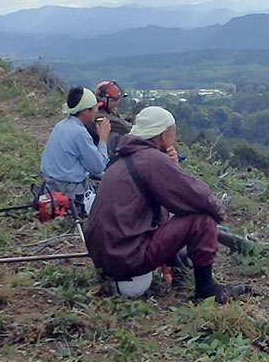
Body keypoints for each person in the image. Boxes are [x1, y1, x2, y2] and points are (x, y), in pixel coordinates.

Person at [84, 106, 247, 302]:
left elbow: (163, 201)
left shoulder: (121, 158)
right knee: (202, 219)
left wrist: (171, 164)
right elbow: (195, 194)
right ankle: (206, 289)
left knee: (170, 215)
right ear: (163, 135)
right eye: (173, 132)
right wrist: (218, 211)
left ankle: (177, 267)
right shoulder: (152, 159)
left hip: (108, 257)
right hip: (128, 259)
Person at [40, 87, 111, 201]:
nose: (97, 110)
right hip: (69, 189)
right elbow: (98, 168)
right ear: (85, 111)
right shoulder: (79, 133)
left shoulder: (61, 125)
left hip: (49, 185)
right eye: (94, 108)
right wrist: (103, 138)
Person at [94, 80, 133, 159]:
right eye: (113, 100)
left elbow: (123, 118)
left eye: (117, 100)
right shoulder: (100, 117)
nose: (116, 103)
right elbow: (126, 127)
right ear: (103, 100)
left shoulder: (110, 113)